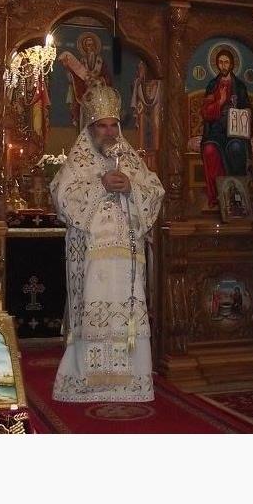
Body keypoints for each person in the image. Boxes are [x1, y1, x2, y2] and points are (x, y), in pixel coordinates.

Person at [51, 85, 165, 402]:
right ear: (90, 127)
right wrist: (100, 184)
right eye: (102, 126)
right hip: (93, 257)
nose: (110, 132)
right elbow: (62, 198)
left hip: (127, 259)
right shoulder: (78, 162)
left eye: (114, 125)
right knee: (91, 312)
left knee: (128, 317)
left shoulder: (130, 159)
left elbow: (155, 192)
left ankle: (131, 381)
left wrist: (132, 188)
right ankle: (87, 381)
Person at [199, 47, 251, 208]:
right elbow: (206, 112)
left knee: (236, 148)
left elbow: (248, 109)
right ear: (217, 64)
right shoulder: (212, 85)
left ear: (232, 64)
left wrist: (244, 115)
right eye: (220, 62)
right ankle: (217, 195)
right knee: (209, 150)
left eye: (226, 62)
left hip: (236, 131)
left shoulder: (240, 86)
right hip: (216, 131)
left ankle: (236, 194)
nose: (223, 65)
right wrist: (220, 102)